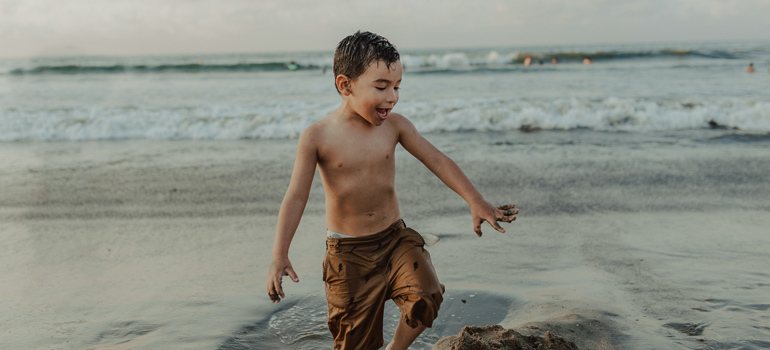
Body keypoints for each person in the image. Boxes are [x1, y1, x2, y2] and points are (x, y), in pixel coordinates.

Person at [266, 31, 517, 350]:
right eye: (381, 87)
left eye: (397, 87)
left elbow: (438, 161)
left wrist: (476, 200)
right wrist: (279, 254)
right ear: (345, 85)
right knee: (355, 342)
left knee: (426, 293)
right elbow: (296, 196)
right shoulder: (317, 137)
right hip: (347, 255)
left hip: (395, 239)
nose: (392, 97)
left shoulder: (395, 126)